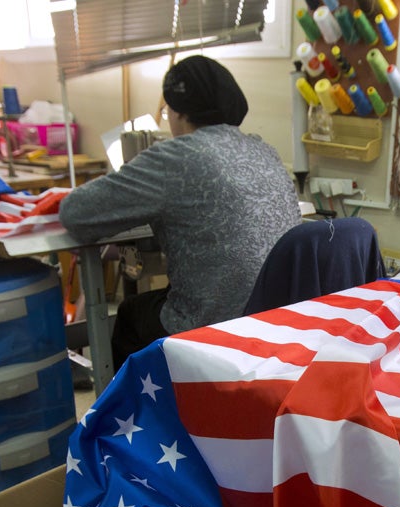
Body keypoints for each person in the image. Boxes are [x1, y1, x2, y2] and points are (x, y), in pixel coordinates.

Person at [59, 55, 302, 370]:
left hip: (214, 329)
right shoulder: (263, 149)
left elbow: (76, 213)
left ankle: (140, 416)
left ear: (178, 112)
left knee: (131, 315)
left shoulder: (176, 156)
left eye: (167, 111)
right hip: (279, 323)